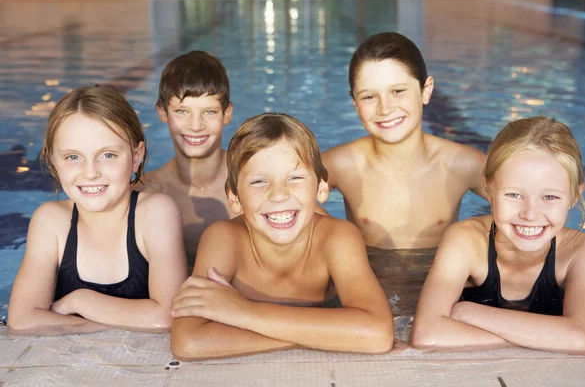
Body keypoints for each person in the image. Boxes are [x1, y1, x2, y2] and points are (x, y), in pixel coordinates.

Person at [170, 113, 394, 360]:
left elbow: (378, 334)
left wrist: (245, 313)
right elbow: (189, 342)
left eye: (295, 178)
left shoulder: (337, 237)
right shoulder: (224, 239)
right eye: (258, 181)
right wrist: (327, 334)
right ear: (234, 198)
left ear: (321, 188)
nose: (278, 194)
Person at [8, 86, 188, 336]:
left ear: (136, 157)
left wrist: (80, 301)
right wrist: (109, 326)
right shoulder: (51, 222)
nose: (90, 172)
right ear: (53, 162)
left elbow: (168, 317)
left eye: (108, 154)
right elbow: (22, 320)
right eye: (73, 157)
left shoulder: (156, 214)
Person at [411, 117, 585, 355]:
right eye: (513, 195)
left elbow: (581, 338)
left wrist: (469, 313)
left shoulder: (583, 252)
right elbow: (427, 335)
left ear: (574, 196)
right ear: (488, 189)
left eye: (550, 197)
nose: (530, 214)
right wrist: (547, 336)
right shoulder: (466, 240)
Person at [322, 32, 486, 250]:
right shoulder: (340, 164)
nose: (385, 108)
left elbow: (529, 204)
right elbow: (275, 199)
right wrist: (328, 230)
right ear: (355, 103)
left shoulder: (462, 164)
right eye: (369, 97)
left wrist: (474, 231)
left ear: (425, 91)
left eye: (398, 91)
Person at [136, 51, 235, 268]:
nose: (196, 125)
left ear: (227, 114)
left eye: (209, 112)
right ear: (162, 113)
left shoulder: (253, 179)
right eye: (182, 111)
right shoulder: (146, 192)